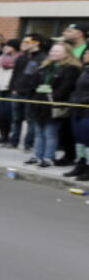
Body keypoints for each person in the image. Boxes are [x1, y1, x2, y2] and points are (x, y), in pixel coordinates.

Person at [26, 42, 80, 168]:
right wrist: (36, 94)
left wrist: (50, 95)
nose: (53, 53)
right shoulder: (45, 66)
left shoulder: (71, 69)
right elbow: (33, 83)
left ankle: (48, 158)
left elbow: (66, 88)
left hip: (54, 106)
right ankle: (38, 156)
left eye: (58, 51)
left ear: (67, 54)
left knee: (50, 133)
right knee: (38, 133)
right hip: (38, 104)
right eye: (52, 51)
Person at [65, 46, 89, 180]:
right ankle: (80, 164)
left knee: (87, 141)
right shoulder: (84, 70)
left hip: (87, 111)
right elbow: (77, 89)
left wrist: (81, 100)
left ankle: (88, 168)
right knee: (79, 139)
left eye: (88, 53)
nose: (85, 54)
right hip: (77, 109)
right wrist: (73, 99)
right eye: (85, 52)